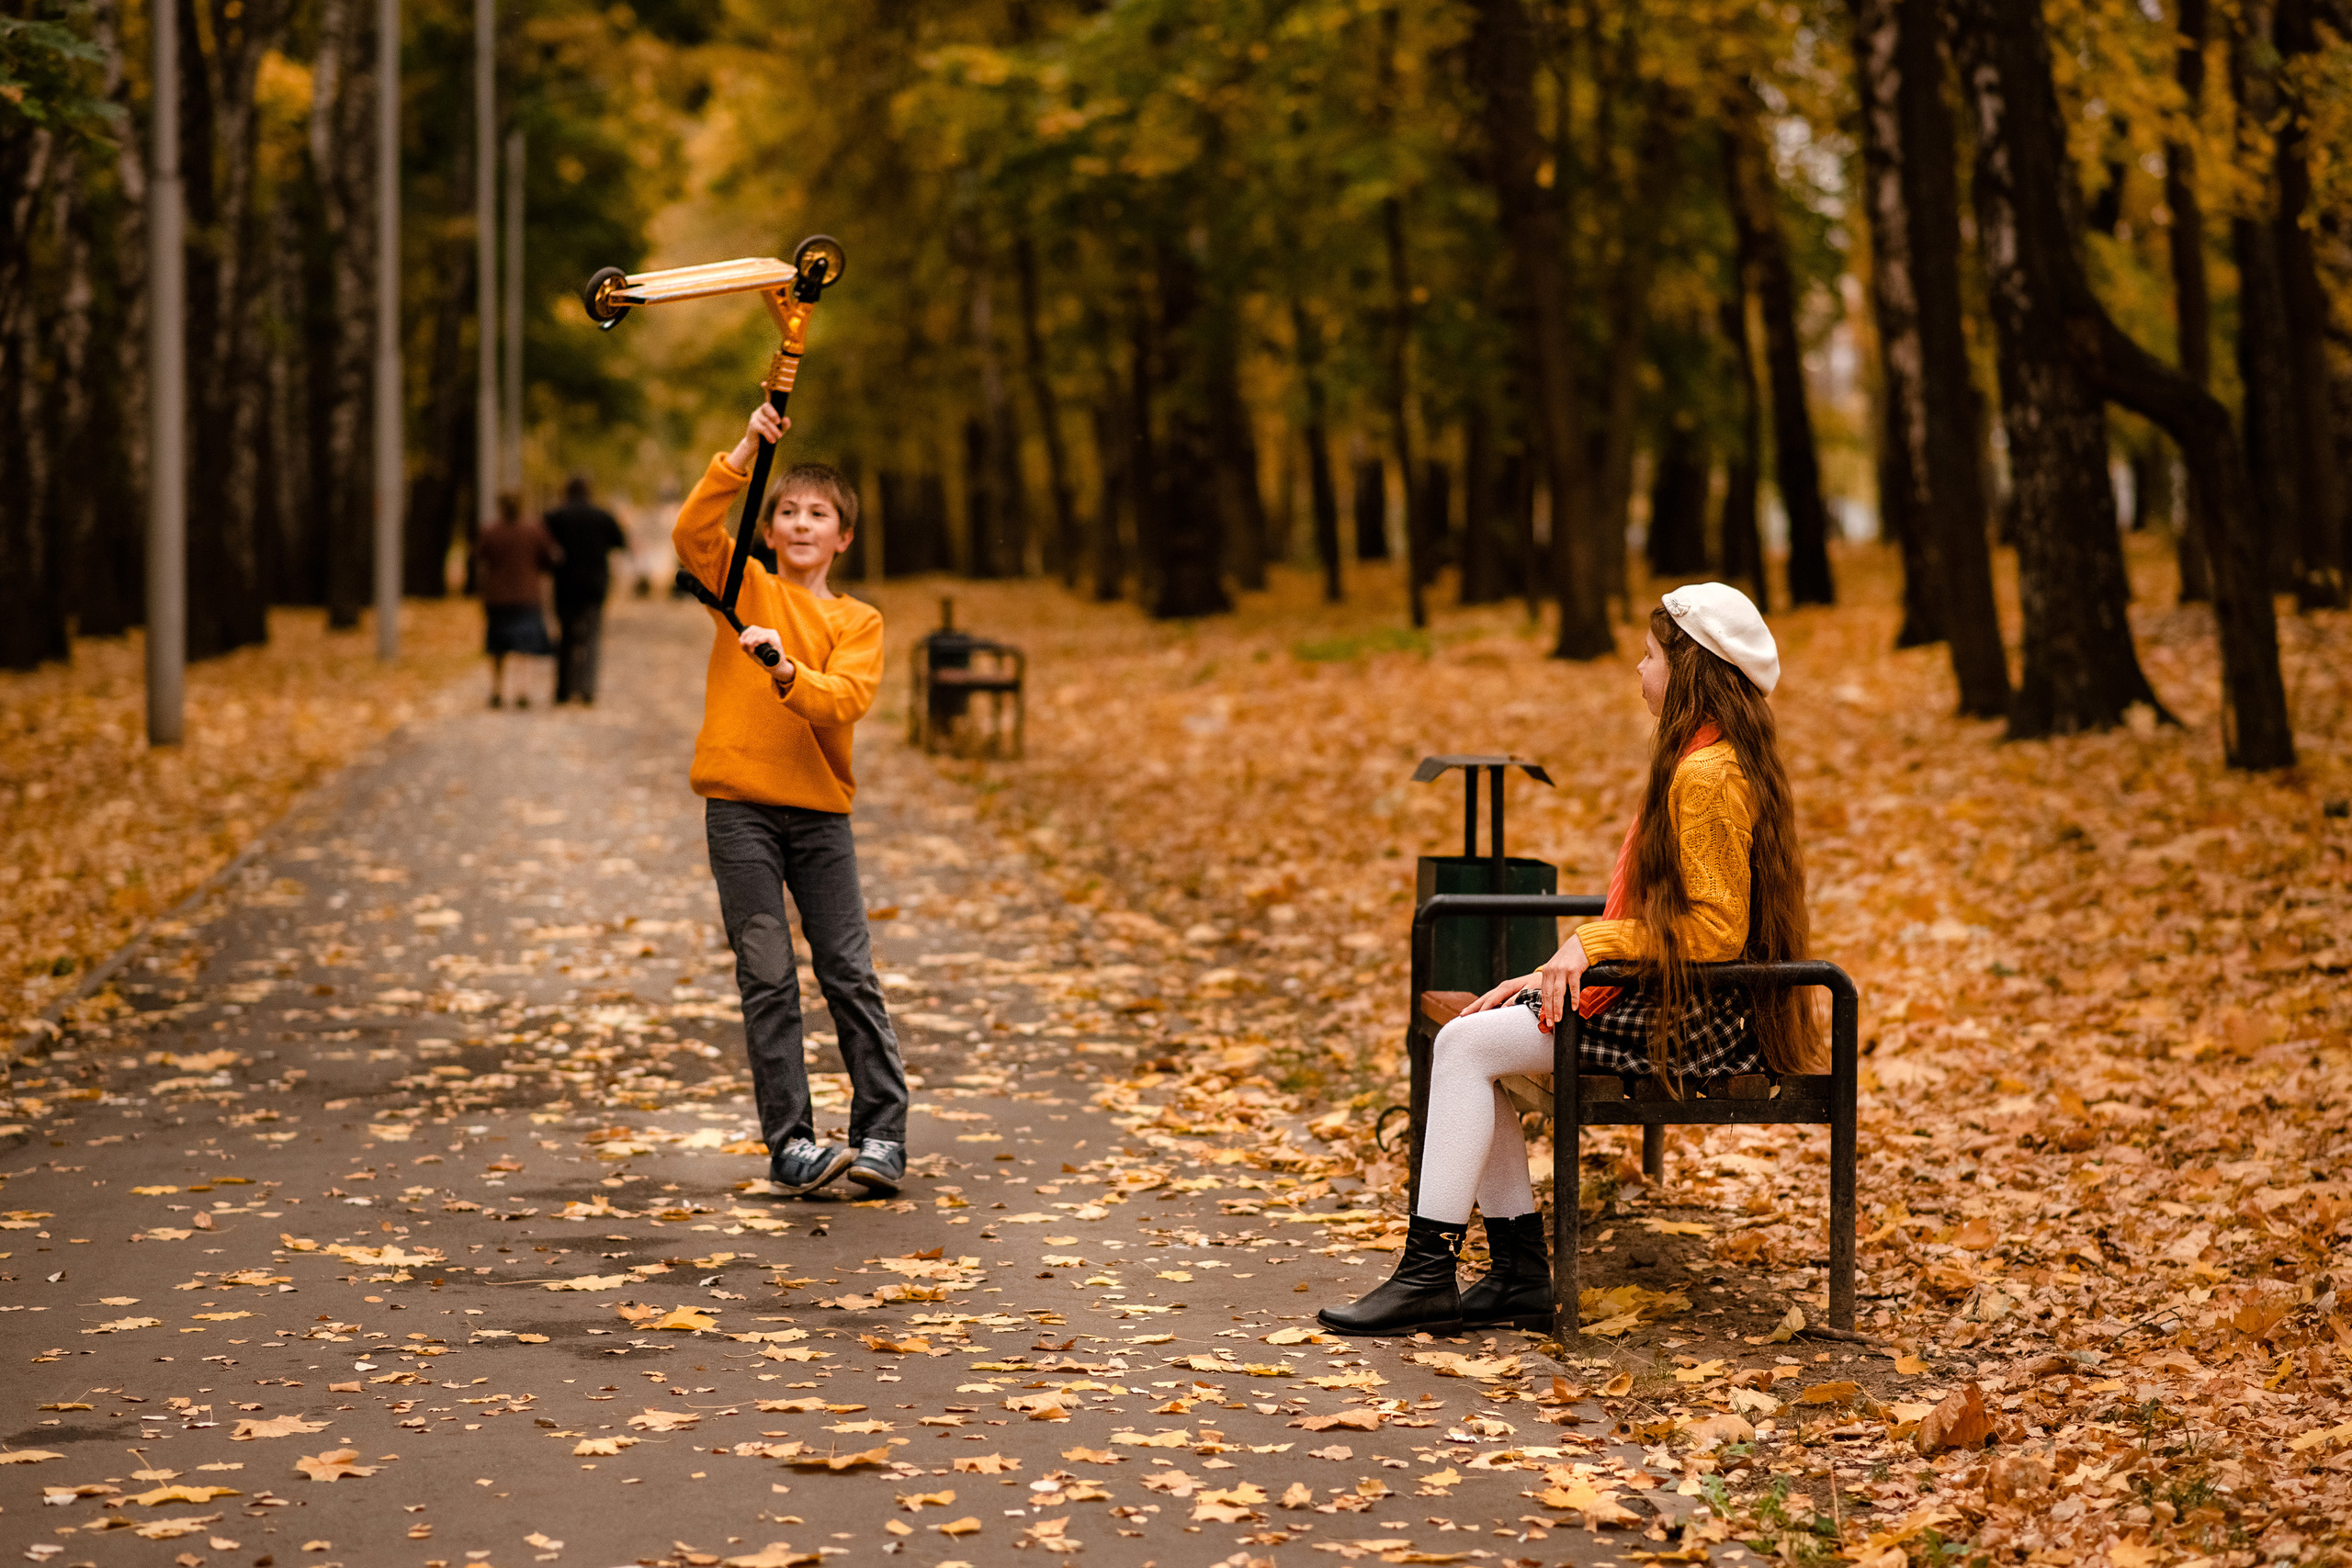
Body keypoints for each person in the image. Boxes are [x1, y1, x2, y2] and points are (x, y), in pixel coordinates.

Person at [1319, 582, 1823, 1336]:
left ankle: (1430, 1276)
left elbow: (1715, 930)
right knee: (1476, 1039)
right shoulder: (1705, 759)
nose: (1639, 668)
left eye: (1651, 655)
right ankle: (1517, 1273)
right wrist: (1562, 961)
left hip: (1702, 1016)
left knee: (1461, 1044)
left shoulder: (1707, 776)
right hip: (1686, 998)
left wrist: (1593, 943)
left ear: (1690, 670)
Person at [673, 402, 907, 1199]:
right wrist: (743, 450)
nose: (801, 523)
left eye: (820, 515)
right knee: (767, 973)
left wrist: (784, 672)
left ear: (843, 536)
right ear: (769, 529)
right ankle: (793, 1145)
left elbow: (844, 699)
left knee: (847, 970)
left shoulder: (859, 619)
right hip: (739, 811)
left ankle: (882, 1133)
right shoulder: (741, 582)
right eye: (788, 512)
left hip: (819, 815)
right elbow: (693, 533)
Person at [544, 476, 630, 705]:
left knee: (566, 637)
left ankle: (563, 690)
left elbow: (542, 547)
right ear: (588, 492)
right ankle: (587, 689)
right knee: (592, 636)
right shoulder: (602, 517)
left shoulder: (554, 517)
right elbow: (621, 542)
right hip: (594, 585)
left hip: (565, 585)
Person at [472, 491, 560, 709]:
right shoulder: (534, 530)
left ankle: (496, 690)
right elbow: (550, 557)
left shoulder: (490, 531)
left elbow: (479, 558)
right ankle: (523, 689)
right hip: (526, 595)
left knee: (498, 645)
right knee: (525, 646)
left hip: (497, 596)